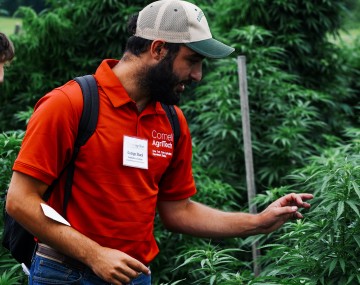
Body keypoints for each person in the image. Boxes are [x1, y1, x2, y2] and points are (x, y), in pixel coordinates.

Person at [5, 1, 313, 284]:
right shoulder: (70, 104)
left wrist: (257, 222)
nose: (197, 75)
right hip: (65, 273)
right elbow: (21, 201)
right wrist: (94, 254)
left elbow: (179, 211)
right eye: (192, 60)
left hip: (134, 275)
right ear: (158, 49)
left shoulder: (172, 121)